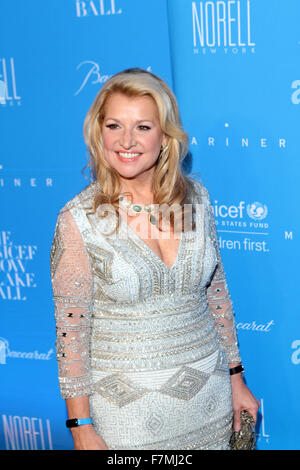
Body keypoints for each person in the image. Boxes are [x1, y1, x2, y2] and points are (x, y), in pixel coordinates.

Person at [50, 68, 260, 450]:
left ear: (164, 136)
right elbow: (71, 334)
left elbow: (217, 296)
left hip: (211, 405)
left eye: (143, 127)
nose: (127, 140)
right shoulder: (78, 219)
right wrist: (80, 426)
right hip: (128, 422)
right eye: (114, 125)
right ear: (99, 132)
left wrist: (235, 377)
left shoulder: (197, 200)